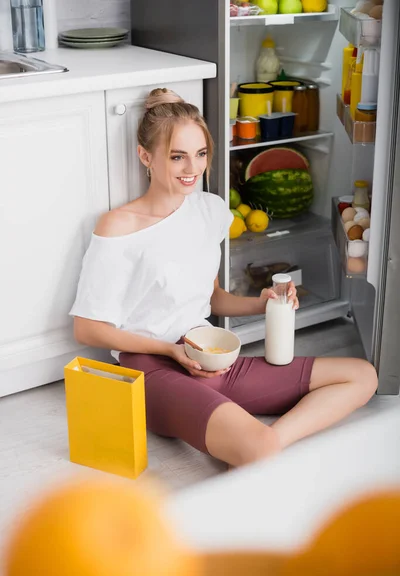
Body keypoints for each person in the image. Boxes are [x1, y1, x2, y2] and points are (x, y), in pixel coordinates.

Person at [70, 88, 378, 469]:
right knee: (257, 446)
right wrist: (170, 351)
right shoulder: (119, 226)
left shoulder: (210, 210)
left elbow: (212, 297)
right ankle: (256, 441)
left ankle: (269, 439)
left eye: (200, 154)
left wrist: (263, 302)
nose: (192, 169)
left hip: (207, 354)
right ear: (145, 156)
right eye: (177, 156)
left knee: (362, 376)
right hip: (150, 366)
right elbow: (86, 328)